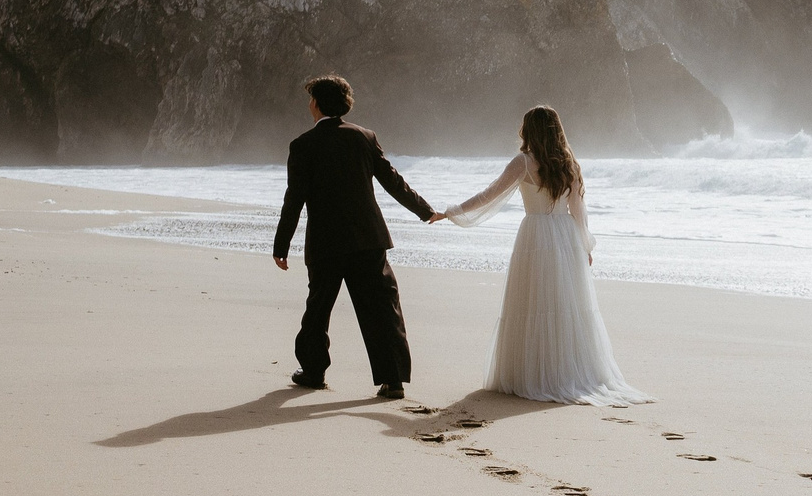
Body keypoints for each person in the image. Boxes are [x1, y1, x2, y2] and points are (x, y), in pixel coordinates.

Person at [438, 105, 649, 405]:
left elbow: (490, 194)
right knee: (564, 307)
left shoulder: (523, 162)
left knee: (534, 305)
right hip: (566, 237)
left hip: (535, 236)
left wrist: (452, 213)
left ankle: (536, 374)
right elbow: (578, 212)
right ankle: (563, 373)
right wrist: (585, 246)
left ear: (529, 130)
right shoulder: (570, 165)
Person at [274, 74, 438, 400]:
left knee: (318, 309)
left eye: (311, 99)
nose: (309, 104)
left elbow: (294, 199)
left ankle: (313, 372)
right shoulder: (364, 137)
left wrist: (281, 246)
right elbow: (394, 182)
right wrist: (424, 210)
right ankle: (393, 381)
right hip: (368, 239)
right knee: (381, 308)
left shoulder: (303, 145)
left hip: (325, 242)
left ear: (318, 104)